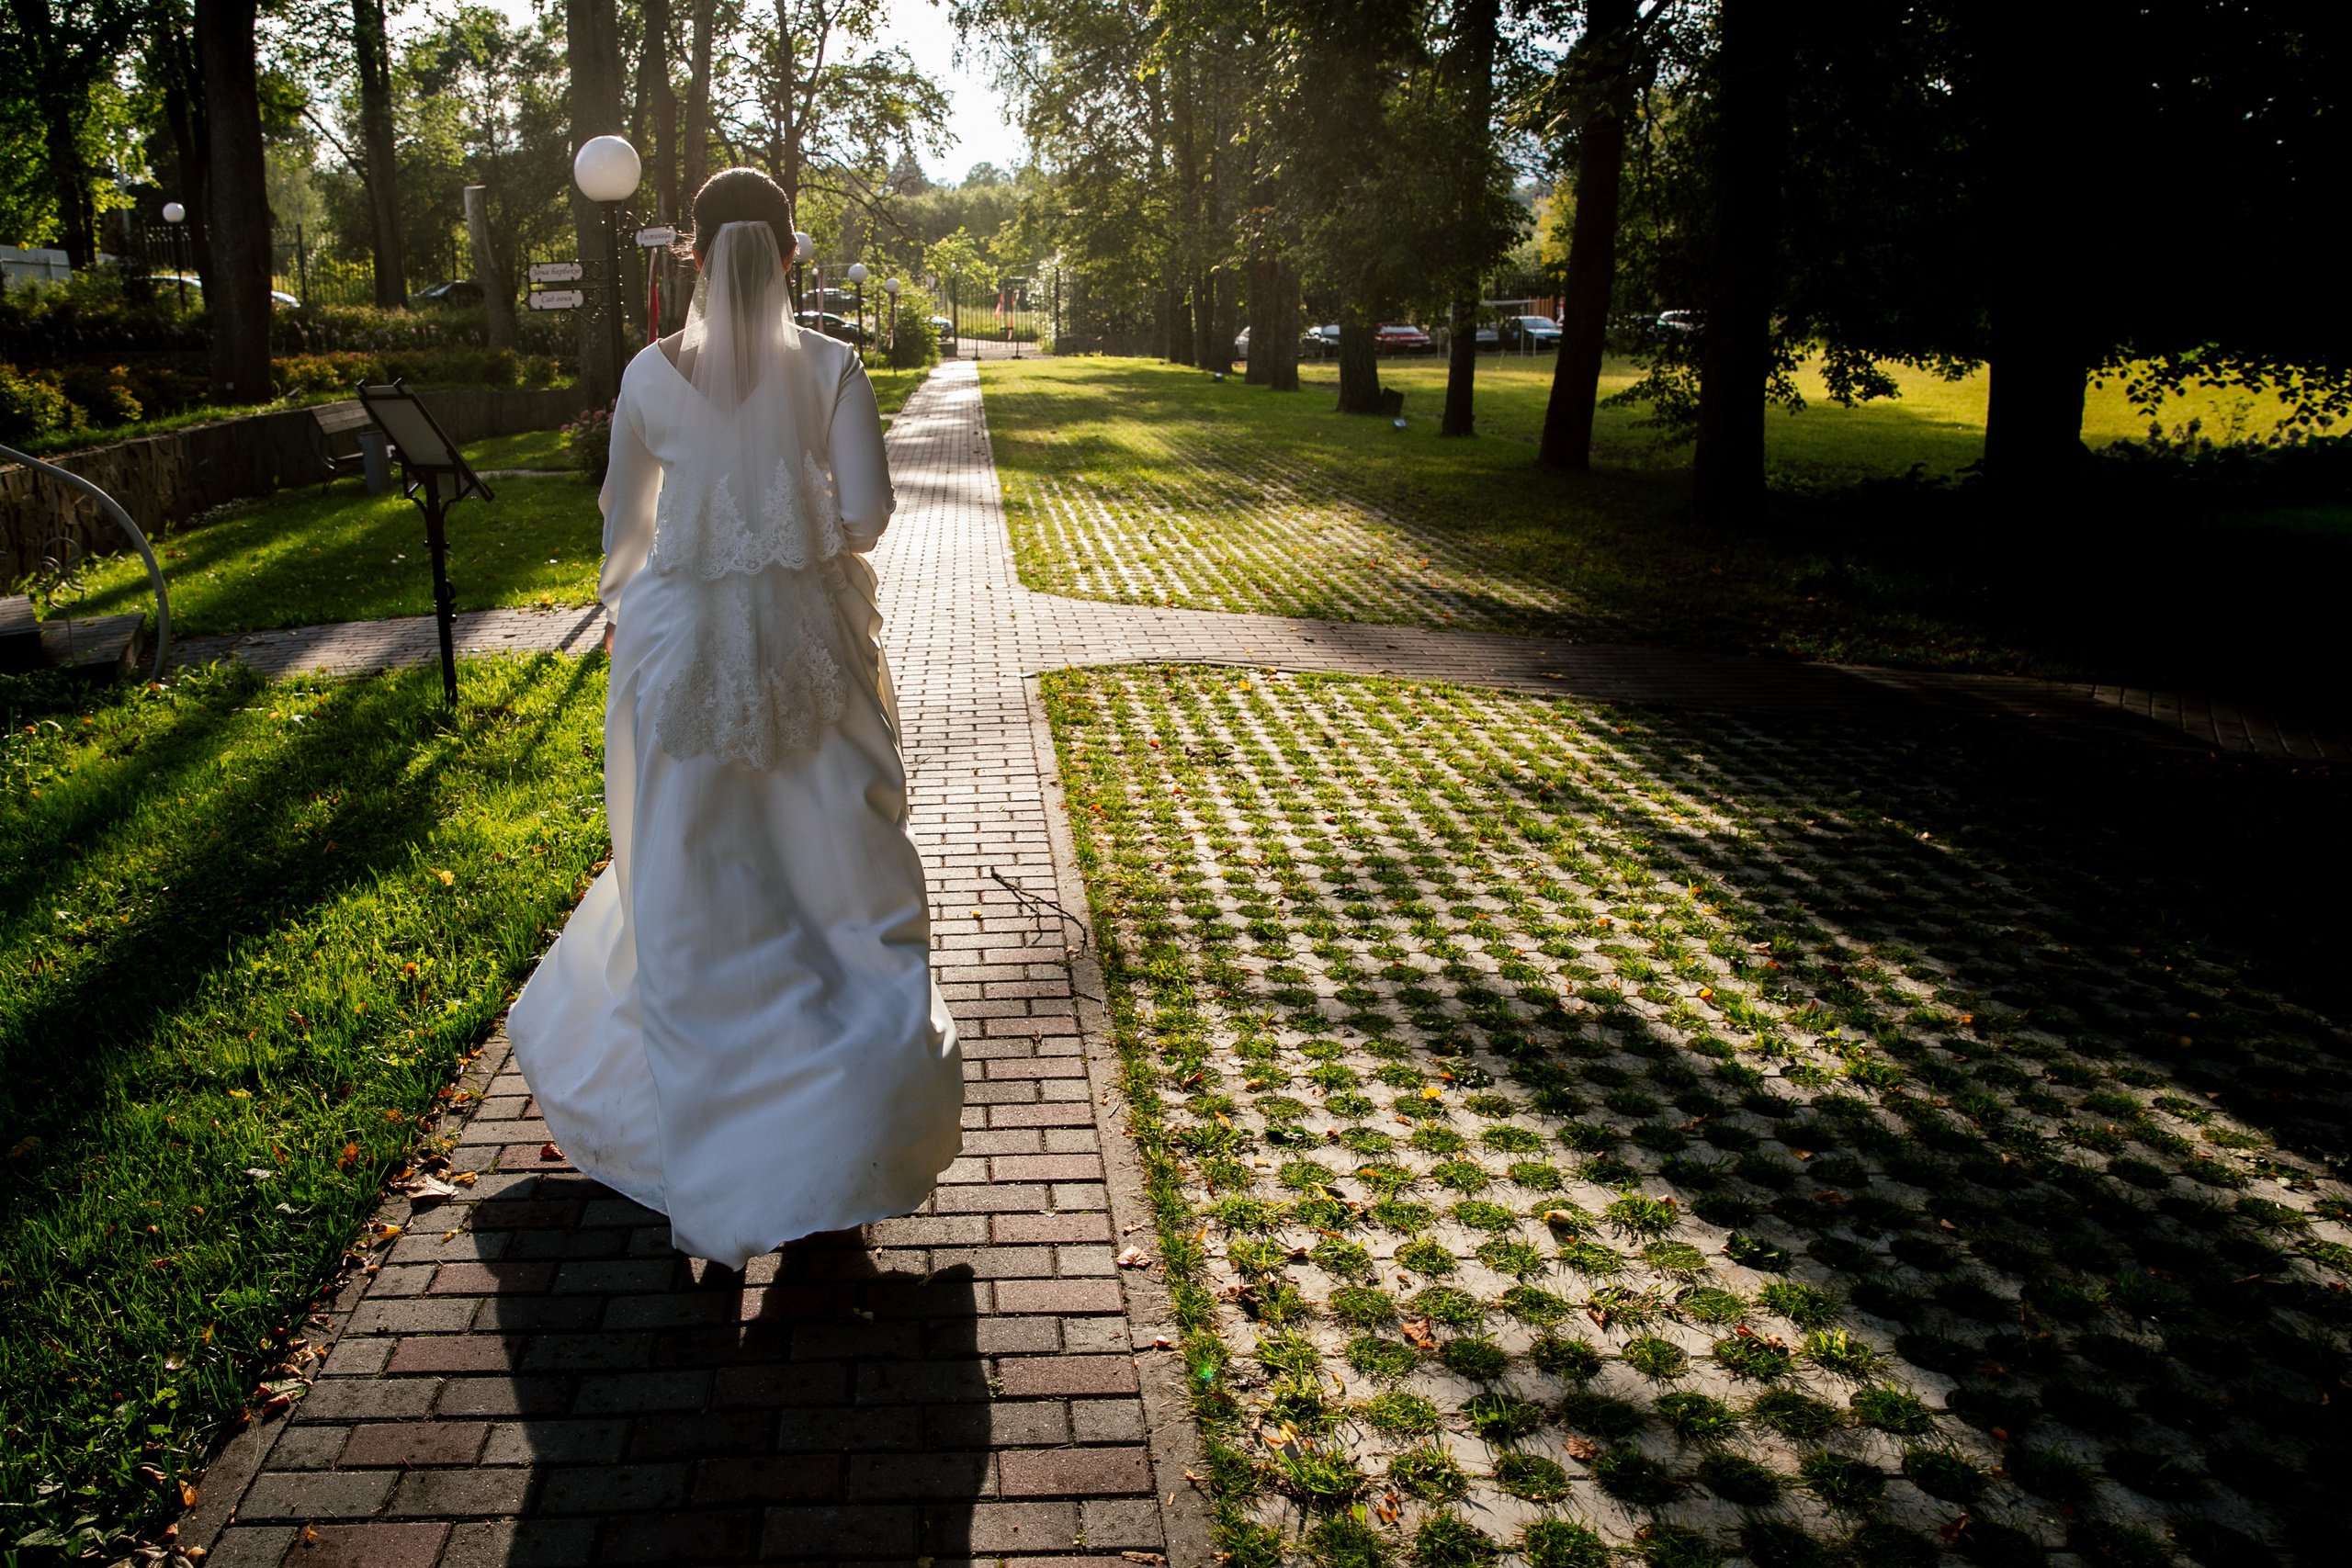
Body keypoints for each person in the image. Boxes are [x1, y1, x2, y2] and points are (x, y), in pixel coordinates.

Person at [505, 167, 962, 1270]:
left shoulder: (651, 375)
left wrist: (645, 597)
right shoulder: (836, 367)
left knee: (696, 890)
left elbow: (622, 532)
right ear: (793, 255)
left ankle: (706, 1148)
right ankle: (843, 1153)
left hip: (680, 662)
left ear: (694, 256)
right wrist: (786, 520)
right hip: (815, 656)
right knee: (844, 892)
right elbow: (863, 522)